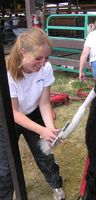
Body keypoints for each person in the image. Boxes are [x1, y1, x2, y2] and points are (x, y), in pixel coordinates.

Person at [5, 27, 65, 200]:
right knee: (5, 165)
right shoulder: (9, 74)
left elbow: (45, 102)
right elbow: (14, 113)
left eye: (47, 57)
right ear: (23, 52)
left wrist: (50, 130)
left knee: (45, 155)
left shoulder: (45, 68)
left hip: (33, 113)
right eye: (38, 58)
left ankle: (56, 186)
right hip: (9, 119)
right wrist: (41, 130)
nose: (43, 62)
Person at [0, 121, 14, 199]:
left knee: (44, 157)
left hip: (32, 115)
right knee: (5, 169)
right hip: (3, 120)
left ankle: (56, 186)